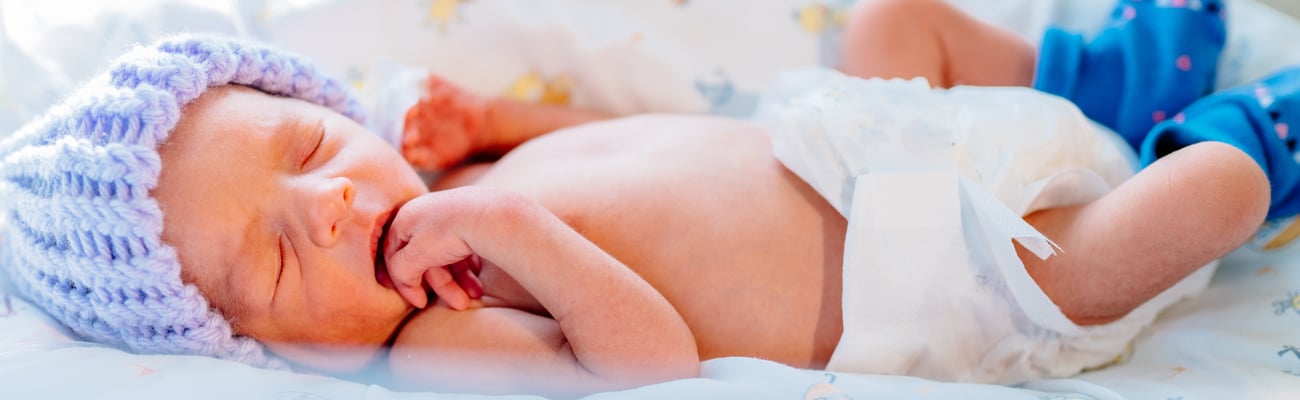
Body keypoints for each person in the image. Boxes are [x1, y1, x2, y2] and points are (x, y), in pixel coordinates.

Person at [0, 0, 1278, 398]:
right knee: (1183, 206)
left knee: (903, 18)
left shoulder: (449, 183)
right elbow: (649, 367)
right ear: (254, 340)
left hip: (878, 135)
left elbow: (638, 140)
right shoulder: (445, 326)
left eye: (303, 146)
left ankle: (1100, 90)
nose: (327, 206)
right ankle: (1244, 144)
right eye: (277, 260)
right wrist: (509, 227)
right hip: (958, 266)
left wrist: (503, 129)